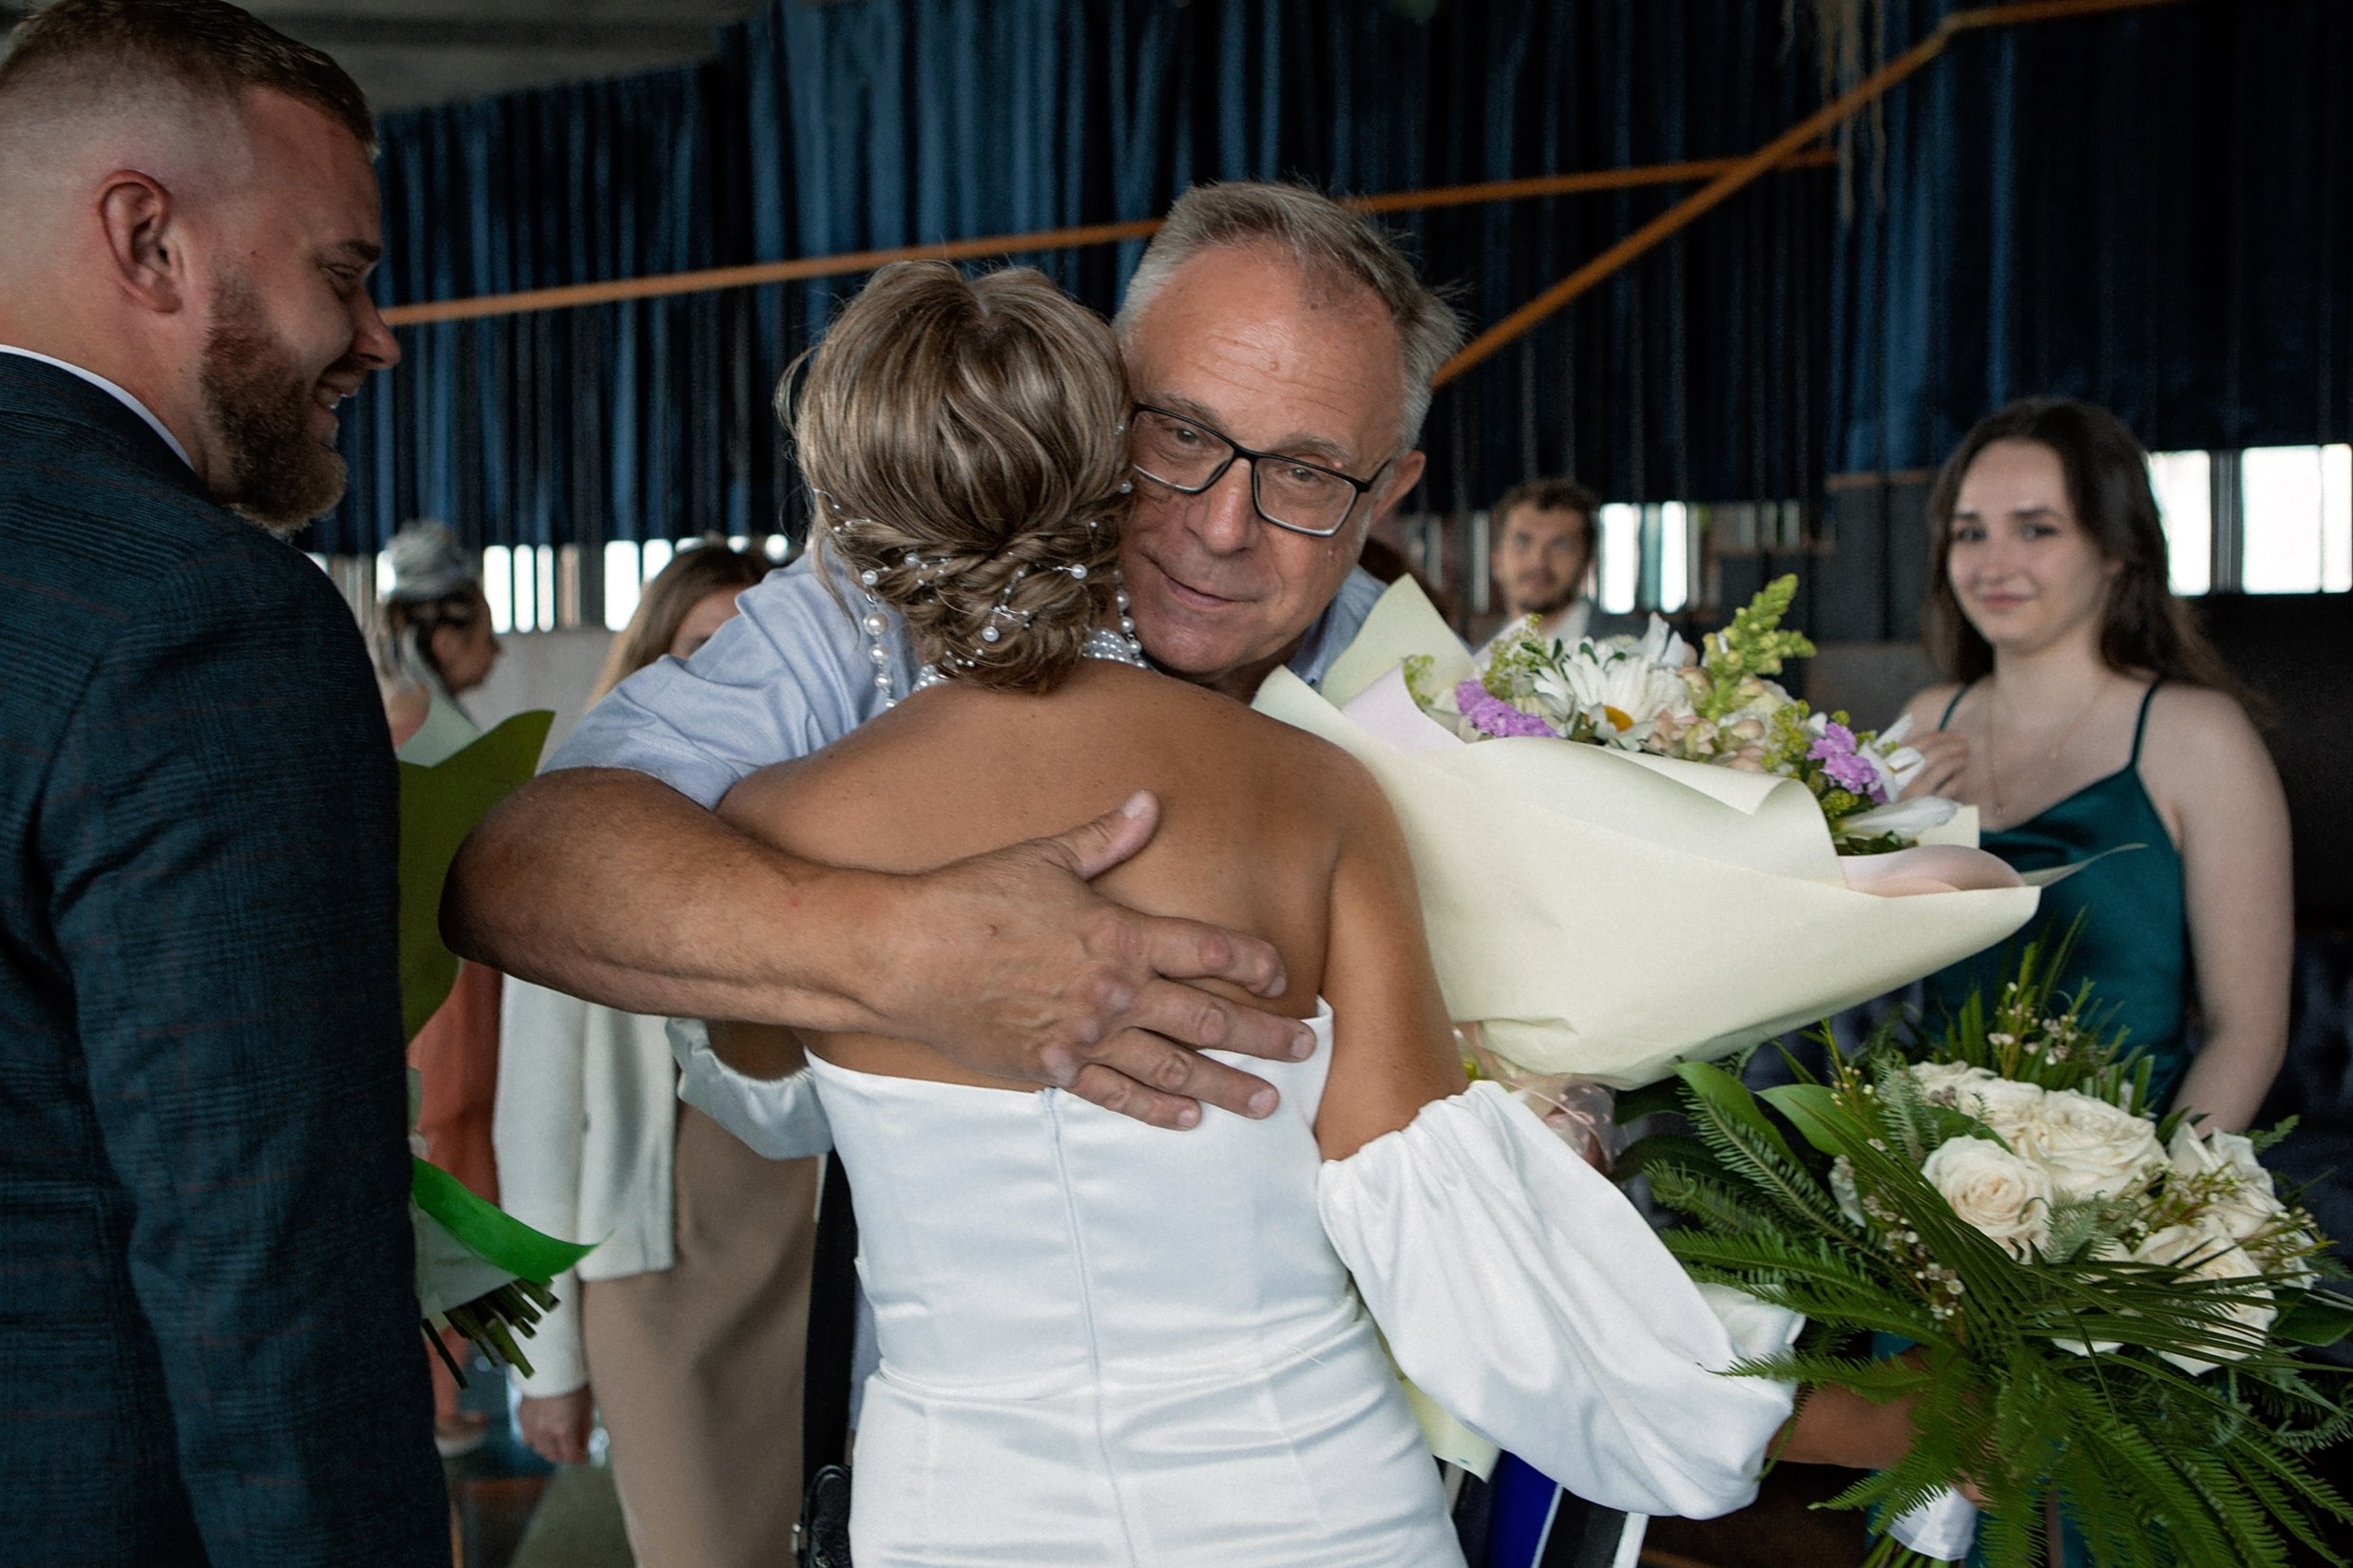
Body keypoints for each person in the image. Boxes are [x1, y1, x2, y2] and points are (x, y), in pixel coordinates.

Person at [698, 258, 1915, 1567]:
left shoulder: (773, 827)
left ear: (847, 511)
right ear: (1111, 467)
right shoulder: (1307, 785)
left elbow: (755, 1073)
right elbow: (1456, 1264)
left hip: (953, 1514)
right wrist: (1858, 1418)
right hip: (1310, 1504)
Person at [443, 181, 1458, 1131]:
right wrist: (905, 951)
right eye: (1181, 436)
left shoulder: (1435, 691)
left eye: (1304, 473)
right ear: (1100, 396)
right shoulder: (887, 597)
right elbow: (518, 870)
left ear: (1389, 488)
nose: (1224, 524)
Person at [0, 0, 445, 1561]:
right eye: (345, 273)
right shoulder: (200, 621)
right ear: (150, 238)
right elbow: (265, 1269)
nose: (378, 339)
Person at [495, 544, 819, 1568]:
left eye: (760, 654)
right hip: (657, 1272)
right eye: (702, 652)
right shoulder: (586, 827)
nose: (739, 684)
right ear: (651, 668)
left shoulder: (836, 822)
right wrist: (540, 1364)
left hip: (812, 1258)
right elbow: (536, 1119)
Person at [1896, 397, 2291, 1132]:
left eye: (2036, 529)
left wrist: (2162, 1209)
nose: (1993, 564)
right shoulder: (1925, 722)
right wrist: (1875, 838)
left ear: (2116, 548)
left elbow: (2250, 1030)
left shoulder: (2198, 737)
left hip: (2124, 1189)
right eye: (1969, 533)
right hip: (1921, 1171)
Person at [375, 517, 501, 759]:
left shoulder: (373, 735)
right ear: (446, 645)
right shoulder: (444, 748)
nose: (498, 650)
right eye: (487, 637)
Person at [1478, 474, 1638, 655]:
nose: (1538, 561)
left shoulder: (1639, 649)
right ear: (1496, 559)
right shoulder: (1474, 665)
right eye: (1522, 541)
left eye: (1560, 545)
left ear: (1588, 564)